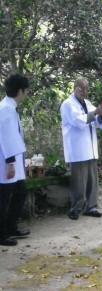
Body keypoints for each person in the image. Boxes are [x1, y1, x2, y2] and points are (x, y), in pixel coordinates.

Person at [60, 78, 102, 220]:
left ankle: (91, 207)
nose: (85, 92)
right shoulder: (67, 104)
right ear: (75, 88)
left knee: (92, 180)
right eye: (82, 89)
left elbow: (99, 124)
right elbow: (78, 121)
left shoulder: (88, 103)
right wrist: (95, 113)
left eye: (87, 89)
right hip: (77, 148)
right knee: (79, 181)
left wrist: (101, 115)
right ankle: (75, 208)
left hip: (90, 147)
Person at [0, 74, 31, 246]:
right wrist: (10, 162)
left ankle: (11, 226)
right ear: (20, 90)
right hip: (7, 161)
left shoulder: (11, 107)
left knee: (20, 193)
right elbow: (5, 137)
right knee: (4, 198)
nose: (26, 94)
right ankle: (1, 233)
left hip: (15, 161)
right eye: (26, 91)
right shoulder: (5, 108)